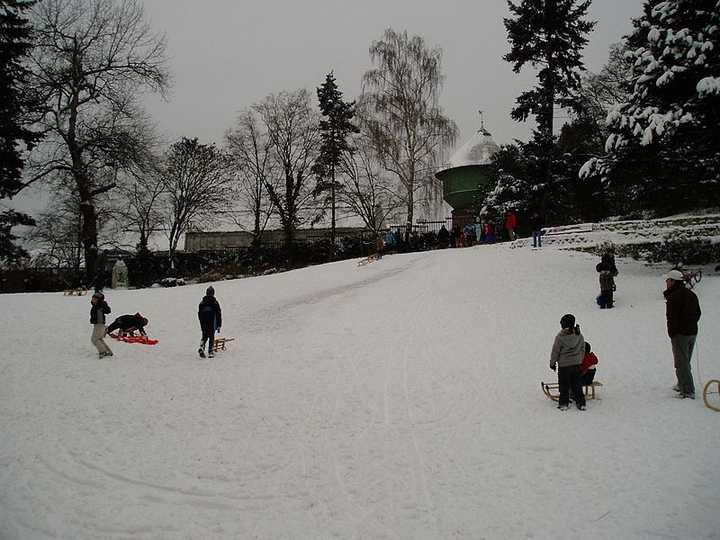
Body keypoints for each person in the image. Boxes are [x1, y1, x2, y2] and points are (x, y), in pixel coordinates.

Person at [664, 269, 701, 399]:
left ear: (673, 281)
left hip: (681, 335)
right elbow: (698, 313)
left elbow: (672, 318)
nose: (666, 283)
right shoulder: (691, 294)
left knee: (681, 362)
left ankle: (688, 391)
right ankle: (681, 384)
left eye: (668, 280)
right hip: (692, 332)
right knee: (685, 361)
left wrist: (673, 332)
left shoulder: (673, 297)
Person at [549, 314, 586, 410]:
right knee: (577, 384)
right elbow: (583, 348)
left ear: (565, 324)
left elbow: (555, 351)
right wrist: (579, 359)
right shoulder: (579, 335)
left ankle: (564, 404)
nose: (560, 323)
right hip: (577, 364)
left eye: (561, 322)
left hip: (564, 366)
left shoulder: (560, 337)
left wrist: (552, 363)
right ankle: (581, 403)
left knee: (564, 385)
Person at [198, 285, 222, 358]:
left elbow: (199, 313)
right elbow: (218, 314)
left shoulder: (202, 302)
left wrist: (201, 322)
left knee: (204, 335)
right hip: (212, 321)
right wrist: (219, 325)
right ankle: (210, 351)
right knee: (211, 336)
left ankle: (202, 346)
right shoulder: (214, 302)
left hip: (203, 321)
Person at [89, 291, 113, 358]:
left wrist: (103, 304)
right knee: (98, 339)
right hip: (98, 324)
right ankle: (108, 351)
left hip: (99, 324)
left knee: (94, 339)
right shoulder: (96, 305)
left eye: (94, 298)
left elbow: (108, 311)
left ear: (98, 300)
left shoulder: (100, 305)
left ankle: (103, 352)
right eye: (92, 298)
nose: (92, 300)